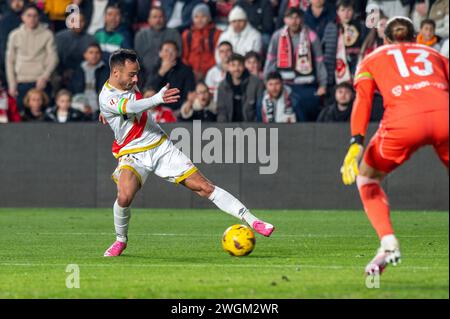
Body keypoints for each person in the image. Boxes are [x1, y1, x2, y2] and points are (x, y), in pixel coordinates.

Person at [98, 49, 275, 257]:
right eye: (132, 74)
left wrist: (112, 113)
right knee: (124, 196)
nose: (136, 78)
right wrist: (156, 99)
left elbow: (130, 103)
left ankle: (253, 220)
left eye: (137, 73)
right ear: (116, 73)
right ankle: (120, 240)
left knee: (204, 187)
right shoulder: (106, 97)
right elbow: (131, 106)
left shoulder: (126, 81)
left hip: (160, 145)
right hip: (131, 151)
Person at [340, 17, 449, 276]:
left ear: (385, 39)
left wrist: (356, 142)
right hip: (445, 116)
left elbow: (363, 100)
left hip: (403, 122)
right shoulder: (434, 53)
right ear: (414, 38)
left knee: (367, 178)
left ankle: (388, 244)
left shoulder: (372, 57)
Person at [264, 7, 327, 122]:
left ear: (302, 19)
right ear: (284, 20)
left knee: (303, 108)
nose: (294, 21)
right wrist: (266, 81)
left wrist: (323, 84)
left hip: (306, 84)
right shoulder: (277, 36)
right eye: (290, 18)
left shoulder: (311, 36)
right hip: (283, 84)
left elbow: (319, 62)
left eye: (297, 17)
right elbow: (270, 61)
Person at [5, 4, 58, 113]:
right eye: (29, 15)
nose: (32, 19)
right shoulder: (14, 35)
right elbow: (10, 61)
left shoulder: (47, 34)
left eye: (35, 16)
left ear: (38, 17)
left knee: (43, 117)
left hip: (41, 81)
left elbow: (53, 57)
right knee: (21, 116)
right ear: (22, 17)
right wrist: (11, 84)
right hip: (21, 81)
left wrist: (45, 76)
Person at [145, 40, 196, 115]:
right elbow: (148, 89)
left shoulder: (186, 70)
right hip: (157, 109)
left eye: (172, 51)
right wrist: (162, 72)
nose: (169, 54)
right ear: (160, 53)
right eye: (166, 51)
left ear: (177, 53)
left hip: (178, 109)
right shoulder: (155, 68)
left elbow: (189, 92)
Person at [134, 6, 182, 82]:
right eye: (154, 17)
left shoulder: (174, 33)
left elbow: (178, 54)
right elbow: (138, 57)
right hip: (145, 74)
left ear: (165, 18)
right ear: (149, 20)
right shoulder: (141, 35)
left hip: (170, 72)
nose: (158, 20)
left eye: (160, 17)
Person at [217, 53, 264, 122]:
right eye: (233, 65)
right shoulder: (222, 86)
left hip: (251, 127)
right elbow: (222, 111)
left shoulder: (256, 83)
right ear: (228, 67)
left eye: (239, 65)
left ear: (244, 66)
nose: (236, 69)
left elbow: (260, 109)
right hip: (228, 127)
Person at [181, 3, 222, 81]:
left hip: (210, 72)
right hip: (191, 73)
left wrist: (206, 71)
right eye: (196, 17)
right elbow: (184, 57)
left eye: (203, 16)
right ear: (193, 19)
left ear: (209, 18)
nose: (199, 20)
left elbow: (217, 55)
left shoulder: (217, 33)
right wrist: (191, 71)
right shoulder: (187, 34)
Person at [70, 43, 109, 119]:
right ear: (85, 55)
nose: (94, 55)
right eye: (91, 52)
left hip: (99, 104)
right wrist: (83, 106)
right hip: (80, 103)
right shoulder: (78, 70)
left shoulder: (106, 70)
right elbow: (74, 90)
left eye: (97, 53)